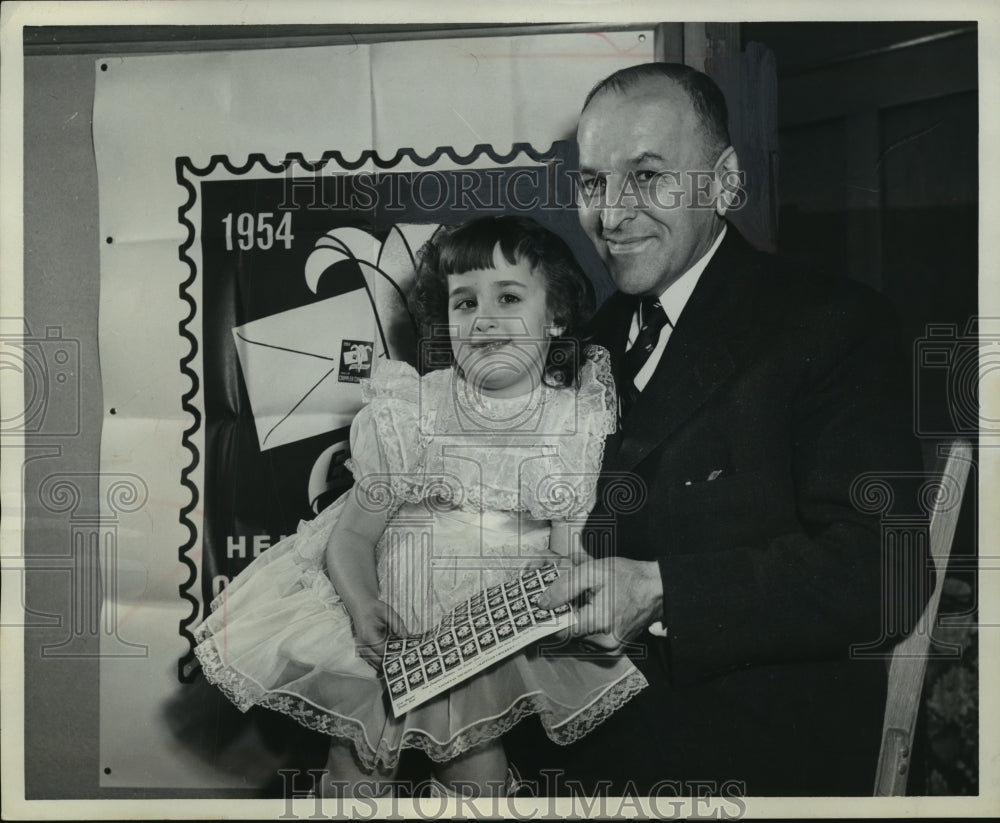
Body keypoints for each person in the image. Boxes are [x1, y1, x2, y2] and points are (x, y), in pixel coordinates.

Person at [527, 63, 932, 796]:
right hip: (581, 724)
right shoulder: (588, 339)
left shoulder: (831, 323)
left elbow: (887, 570)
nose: (611, 215)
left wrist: (662, 591)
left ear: (724, 181)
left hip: (744, 757)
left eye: (647, 176)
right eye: (593, 182)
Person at [192, 215, 648, 799]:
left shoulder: (572, 421)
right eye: (465, 302)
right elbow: (351, 537)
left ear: (555, 314)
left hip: (486, 630)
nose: (483, 319)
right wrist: (364, 609)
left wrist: (556, 608)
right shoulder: (413, 411)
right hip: (391, 618)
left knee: (474, 769)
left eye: (509, 298)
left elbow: (567, 552)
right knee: (359, 760)